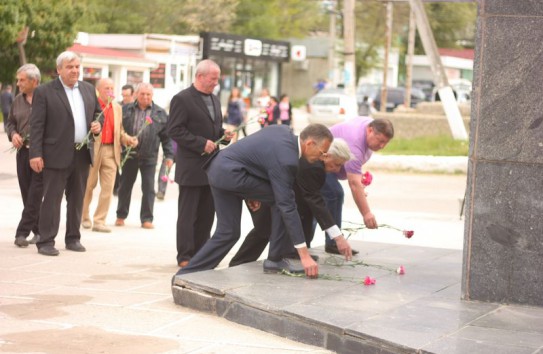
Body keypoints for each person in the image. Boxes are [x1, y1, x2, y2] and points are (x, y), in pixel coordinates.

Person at [175, 124, 333, 279]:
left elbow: (256, 156)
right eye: (322, 153)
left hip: (219, 169)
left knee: (228, 233)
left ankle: (186, 274)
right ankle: (275, 259)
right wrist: (304, 256)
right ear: (310, 143)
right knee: (283, 201)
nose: (321, 158)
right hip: (233, 174)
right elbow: (287, 206)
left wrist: (252, 193)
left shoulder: (282, 130)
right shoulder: (288, 160)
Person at [229, 138, 354, 267]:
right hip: (262, 187)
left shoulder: (317, 164)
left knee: (301, 213)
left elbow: (307, 203)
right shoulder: (314, 166)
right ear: (327, 156)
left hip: (281, 192)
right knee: (265, 228)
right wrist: (337, 236)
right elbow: (315, 201)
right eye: (337, 164)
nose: (337, 170)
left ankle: (291, 251)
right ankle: (239, 262)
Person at [29, 51, 102, 256]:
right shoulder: (45, 91)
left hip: (82, 153)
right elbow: (36, 125)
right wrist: (35, 153)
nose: (75, 70)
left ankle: (73, 238)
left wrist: (98, 124)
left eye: (77, 66)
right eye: (70, 67)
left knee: (77, 198)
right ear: (59, 69)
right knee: (52, 199)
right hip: (55, 154)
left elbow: (97, 113)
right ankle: (45, 241)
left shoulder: (88, 89)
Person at [167, 59, 232, 268]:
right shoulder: (182, 99)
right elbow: (175, 130)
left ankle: (202, 252)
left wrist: (224, 135)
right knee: (189, 214)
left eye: (217, 79)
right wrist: (200, 143)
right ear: (200, 76)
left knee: (207, 213)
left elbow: (215, 129)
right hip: (191, 167)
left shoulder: (214, 99)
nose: (216, 83)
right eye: (213, 79)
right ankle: (185, 255)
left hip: (212, 167)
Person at [321, 117, 394, 255]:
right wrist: (366, 214)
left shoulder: (371, 125)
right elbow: (353, 183)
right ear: (370, 130)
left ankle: (330, 241)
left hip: (332, 163)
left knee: (324, 199)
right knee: (334, 194)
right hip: (321, 162)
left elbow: (356, 179)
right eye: (381, 141)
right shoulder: (355, 144)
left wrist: (360, 185)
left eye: (386, 142)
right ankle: (333, 242)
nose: (382, 146)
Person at [81, 78, 138, 233]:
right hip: (93, 149)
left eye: (112, 88)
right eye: (106, 88)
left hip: (111, 151)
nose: (110, 91)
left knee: (108, 188)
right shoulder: (91, 105)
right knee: (89, 185)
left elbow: (119, 130)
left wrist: (128, 139)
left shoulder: (117, 107)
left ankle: (99, 221)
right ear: (98, 89)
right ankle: (84, 217)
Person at [115, 83, 173, 229]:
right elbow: (119, 131)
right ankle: (121, 215)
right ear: (136, 95)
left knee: (148, 188)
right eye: (142, 94)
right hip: (129, 154)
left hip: (149, 156)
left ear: (152, 96)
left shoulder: (160, 113)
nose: (145, 97)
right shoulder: (125, 110)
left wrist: (169, 156)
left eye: (148, 94)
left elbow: (166, 138)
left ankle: (147, 218)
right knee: (125, 186)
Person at [5, 64, 42, 247]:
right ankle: (40, 231)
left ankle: (22, 232)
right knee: (27, 192)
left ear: (34, 81)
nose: (18, 83)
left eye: (22, 80)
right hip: (23, 153)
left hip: (42, 154)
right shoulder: (17, 100)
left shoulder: (46, 99)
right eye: (18, 80)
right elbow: (10, 123)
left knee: (36, 192)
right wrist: (13, 135)